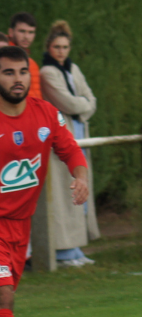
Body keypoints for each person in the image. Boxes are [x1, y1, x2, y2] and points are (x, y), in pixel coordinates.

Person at [0, 46, 89, 317]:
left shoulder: (46, 114)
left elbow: (70, 149)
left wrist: (80, 177)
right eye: (8, 72)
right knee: (3, 295)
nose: (17, 79)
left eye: (22, 72)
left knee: (3, 300)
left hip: (20, 226)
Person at [39, 21, 100, 267]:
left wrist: (83, 105)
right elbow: (70, 104)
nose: (61, 51)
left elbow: (91, 99)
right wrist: (83, 105)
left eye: (65, 47)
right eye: (57, 47)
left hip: (78, 133)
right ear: (49, 47)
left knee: (80, 189)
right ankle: (63, 249)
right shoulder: (47, 73)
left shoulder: (73, 69)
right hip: (61, 136)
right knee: (64, 194)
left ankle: (75, 247)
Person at [7, 13, 39, 100]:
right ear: (11, 32)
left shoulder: (32, 63)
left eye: (31, 32)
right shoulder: (4, 59)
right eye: (22, 31)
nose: (26, 37)